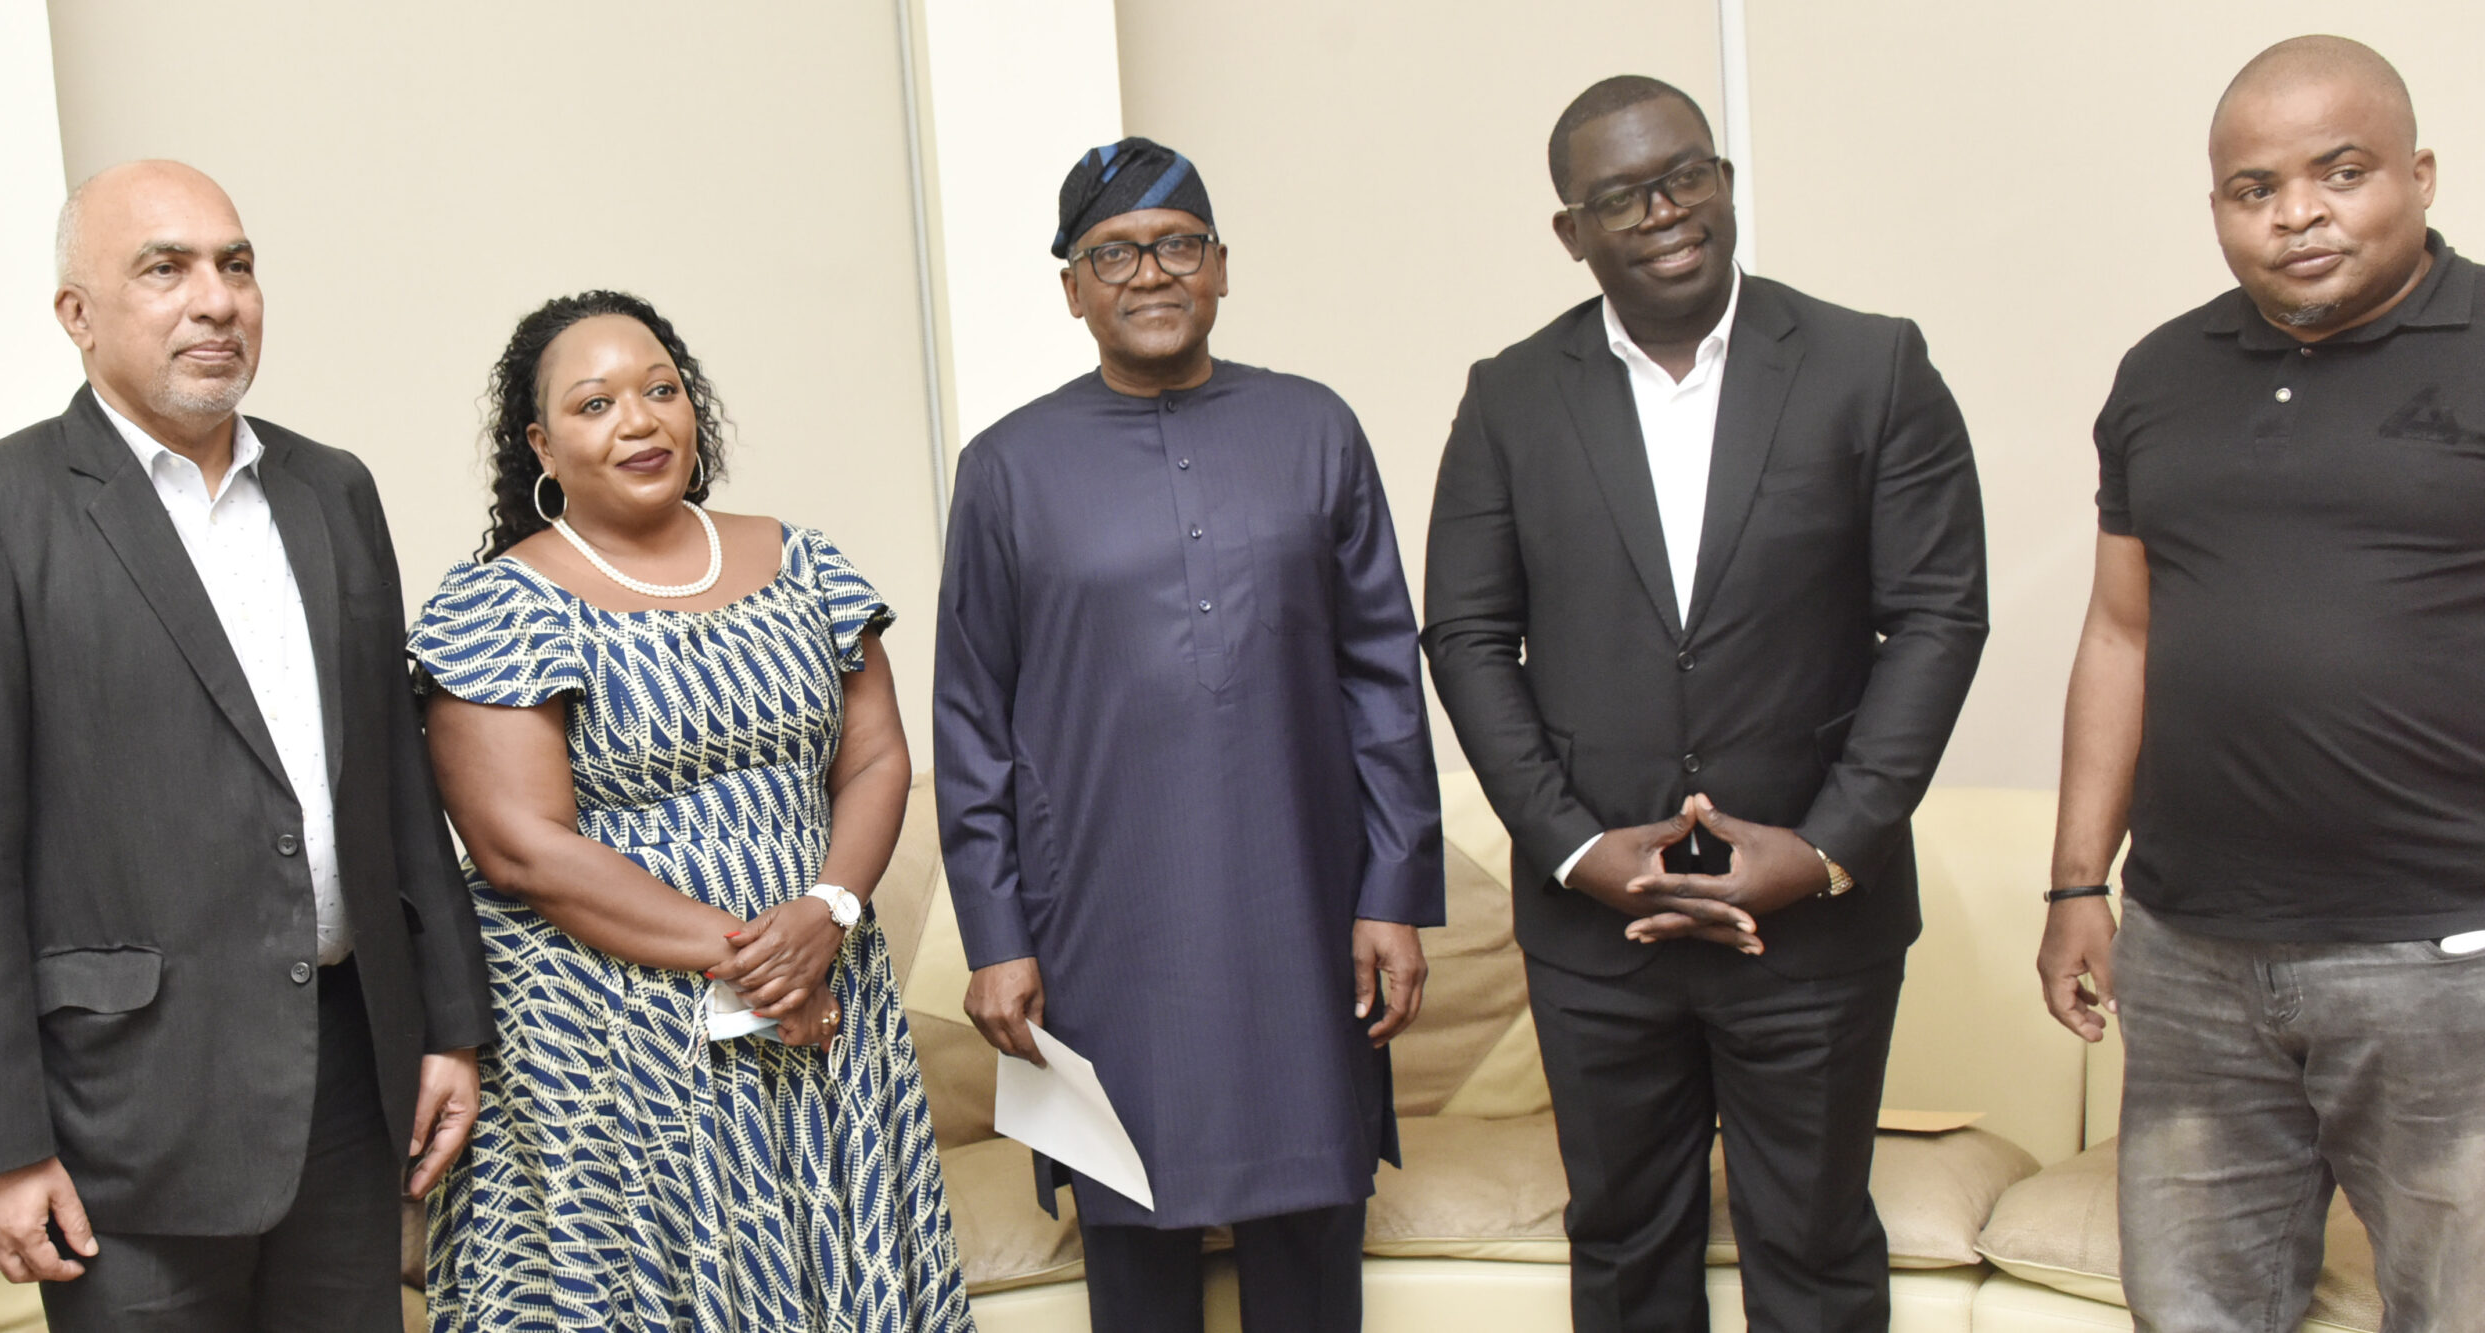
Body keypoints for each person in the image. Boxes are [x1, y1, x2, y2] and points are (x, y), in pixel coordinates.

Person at [1424, 77, 1989, 1332]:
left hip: (1814, 925)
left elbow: (1938, 617)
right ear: (1571, 231)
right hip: (1596, 932)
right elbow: (1465, 635)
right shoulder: (1510, 396)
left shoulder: (1870, 364)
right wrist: (1570, 844)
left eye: (1685, 175)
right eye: (1622, 195)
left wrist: (1828, 847)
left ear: (1723, 183)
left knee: (1815, 1253)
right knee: (1624, 1253)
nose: (1665, 210)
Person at [0, 160, 494, 1332]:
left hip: (350, 1087)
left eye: (237, 265)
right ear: (77, 314)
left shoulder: (333, 488)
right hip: (123, 1122)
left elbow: (396, 783)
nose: (217, 299)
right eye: (165, 268)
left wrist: (449, 1024)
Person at [934, 137, 1442, 1333]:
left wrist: (1392, 894)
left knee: (1311, 1227)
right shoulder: (1005, 468)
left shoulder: (1315, 428)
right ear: (1072, 288)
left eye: (1176, 245)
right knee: (1136, 1238)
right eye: (1113, 254)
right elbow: (970, 718)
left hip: (1304, 910)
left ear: (1219, 267)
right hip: (1104, 928)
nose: (1150, 273)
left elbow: (1383, 677)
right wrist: (997, 936)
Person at [407, 290, 973, 1331]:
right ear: (540, 443)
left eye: (661, 389)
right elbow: (521, 846)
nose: (639, 420)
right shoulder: (496, 607)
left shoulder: (805, 564)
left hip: (823, 994)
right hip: (613, 1037)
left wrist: (829, 913)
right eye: (595, 403)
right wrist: (760, 963)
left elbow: (876, 758)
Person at [2036, 35, 2485, 1328]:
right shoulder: (2161, 375)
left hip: (2442, 956)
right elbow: (2120, 635)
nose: (2297, 214)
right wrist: (2077, 882)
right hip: (2192, 958)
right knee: (2192, 1310)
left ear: (2419, 176)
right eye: (2255, 188)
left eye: (2341, 173)